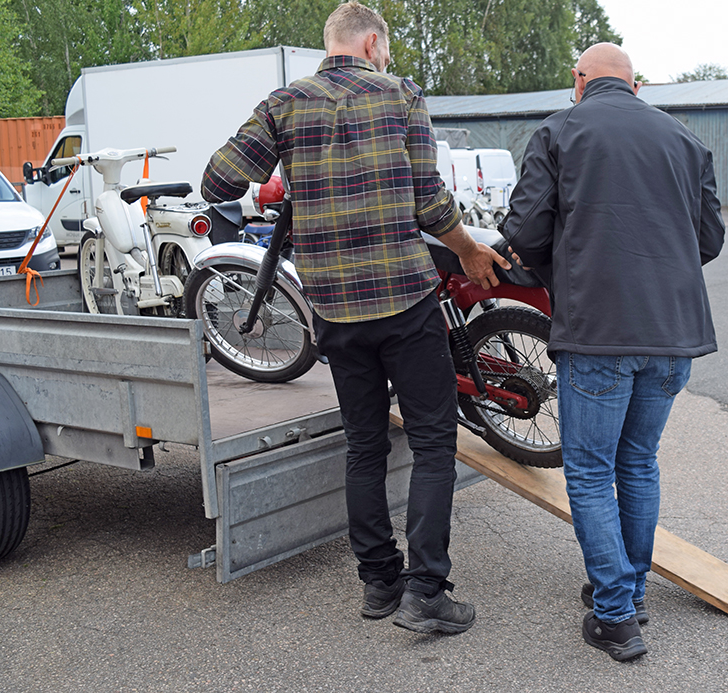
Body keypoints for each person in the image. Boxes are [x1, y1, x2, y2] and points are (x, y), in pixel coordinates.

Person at [201, 1, 508, 635]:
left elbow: (218, 184)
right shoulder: (401, 95)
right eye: (385, 50)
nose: (387, 60)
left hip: (334, 310)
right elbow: (430, 202)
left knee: (364, 446)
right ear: (371, 44)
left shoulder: (284, 103)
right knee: (432, 444)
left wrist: (290, 177)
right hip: (405, 300)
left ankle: (379, 584)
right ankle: (427, 591)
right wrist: (469, 250)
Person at [499, 43, 725, 661]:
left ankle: (616, 615)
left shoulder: (559, 131)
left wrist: (563, 268)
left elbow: (523, 230)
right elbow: (709, 239)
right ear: (636, 85)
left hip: (597, 330)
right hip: (673, 335)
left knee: (591, 471)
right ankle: (631, 591)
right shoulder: (684, 140)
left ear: (578, 81)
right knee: (639, 462)